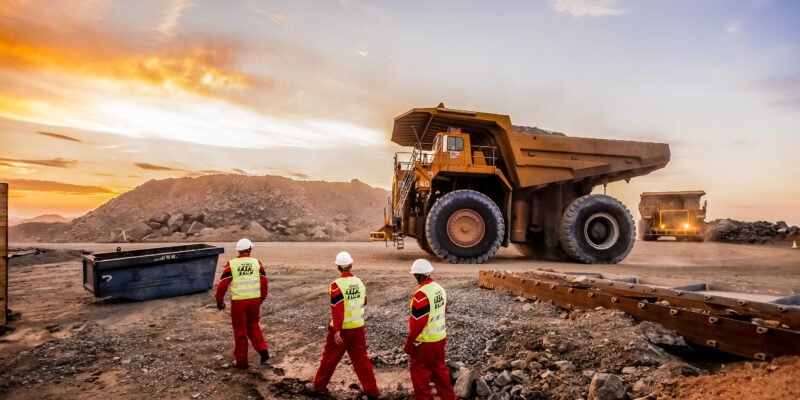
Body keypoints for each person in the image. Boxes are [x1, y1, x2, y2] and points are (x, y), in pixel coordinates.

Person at [306, 251, 380, 399]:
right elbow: (364, 301)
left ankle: (319, 387)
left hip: (342, 329)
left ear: (338, 267)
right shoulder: (359, 282)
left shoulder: (336, 286)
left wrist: (337, 330)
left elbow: (338, 309)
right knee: (362, 360)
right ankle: (372, 390)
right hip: (358, 327)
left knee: (329, 358)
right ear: (351, 265)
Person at [214, 238, 269, 369]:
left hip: (239, 302)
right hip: (254, 300)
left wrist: (219, 301)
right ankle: (262, 349)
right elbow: (264, 283)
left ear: (238, 251)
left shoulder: (232, 264)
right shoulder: (257, 263)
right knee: (253, 325)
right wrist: (260, 299)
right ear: (249, 249)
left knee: (240, 330)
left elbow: (222, 285)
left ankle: (241, 362)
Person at [403, 259, 454, 400]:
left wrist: (409, 344)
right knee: (440, 372)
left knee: (419, 376)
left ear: (419, 275)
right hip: (440, 339)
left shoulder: (421, 295)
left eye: (415, 275)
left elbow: (417, 324)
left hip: (425, 343)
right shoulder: (439, 289)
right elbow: (444, 310)